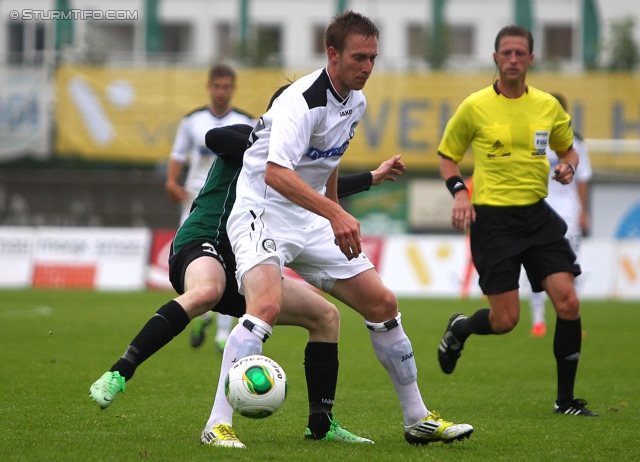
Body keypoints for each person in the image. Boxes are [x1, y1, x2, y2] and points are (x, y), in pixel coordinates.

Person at [214, 10, 473, 446]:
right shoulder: (302, 100)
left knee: (383, 302)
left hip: (310, 217)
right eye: (359, 57)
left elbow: (326, 162)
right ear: (332, 54)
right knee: (266, 308)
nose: (368, 67)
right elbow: (276, 173)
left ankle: (417, 419)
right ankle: (217, 425)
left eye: (373, 58)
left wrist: (332, 214)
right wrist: (336, 214)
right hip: (262, 209)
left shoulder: (356, 100)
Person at [89, 95, 408, 449]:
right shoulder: (254, 138)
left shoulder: (293, 162)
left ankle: (322, 424)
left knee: (325, 316)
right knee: (207, 291)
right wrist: (262, 143)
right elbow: (215, 139)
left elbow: (316, 191)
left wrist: (371, 177)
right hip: (203, 242)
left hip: (249, 258)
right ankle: (120, 371)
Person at [436, 25, 597, 417]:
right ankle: (460, 329)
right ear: (495, 59)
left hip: (538, 216)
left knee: (569, 301)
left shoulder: (547, 106)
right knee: (506, 320)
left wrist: (568, 169)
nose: (512, 59)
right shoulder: (474, 106)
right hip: (493, 222)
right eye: (505, 53)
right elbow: (447, 156)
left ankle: (566, 401)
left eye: (519, 53)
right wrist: (460, 192)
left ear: (530, 59)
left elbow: (569, 152)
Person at [165, 63, 256, 353]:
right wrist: (170, 181)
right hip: (196, 202)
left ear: (233, 88)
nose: (221, 91)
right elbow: (178, 154)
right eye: (216, 86)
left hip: (230, 203)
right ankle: (203, 315)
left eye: (226, 86)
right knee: (196, 262)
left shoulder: (246, 120)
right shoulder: (192, 121)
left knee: (233, 262)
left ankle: (222, 333)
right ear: (209, 87)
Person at [529, 93, 592, 337]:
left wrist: (583, 211)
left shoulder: (577, 143)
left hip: (568, 211)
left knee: (571, 266)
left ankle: (571, 319)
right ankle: (538, 320)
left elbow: (583, 178)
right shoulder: (537, 140)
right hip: (540, 208)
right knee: (535, 265)